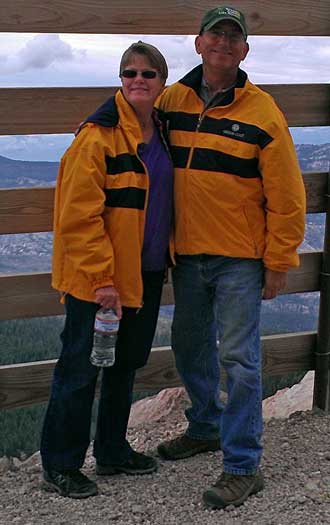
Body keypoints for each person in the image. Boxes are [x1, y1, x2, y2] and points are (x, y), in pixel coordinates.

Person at [155, 6, 306, 509]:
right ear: (197, 44)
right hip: (187, 255)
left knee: (239, 360)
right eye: (213, 35)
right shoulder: (171, 100)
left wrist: (278, 261)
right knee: (190, 347)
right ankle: (204, 426)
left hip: (240, 257)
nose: (222, 43)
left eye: (232, 37)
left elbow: (287, 195)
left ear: (244, 50)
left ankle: (243, 465)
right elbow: (127, 116)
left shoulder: (263, 112)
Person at [40, 41, 173, 499]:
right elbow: (77, 219)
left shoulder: (161, 131)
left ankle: (113, 451)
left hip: (146, 272)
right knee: (80, 368)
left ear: (162, 83)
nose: (138, 80)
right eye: (129, 72)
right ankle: (60, 464)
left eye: (148, 74)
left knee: (125, 366)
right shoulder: (96, 137)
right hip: (101, 282)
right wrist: (102, 280)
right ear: (120, 80)